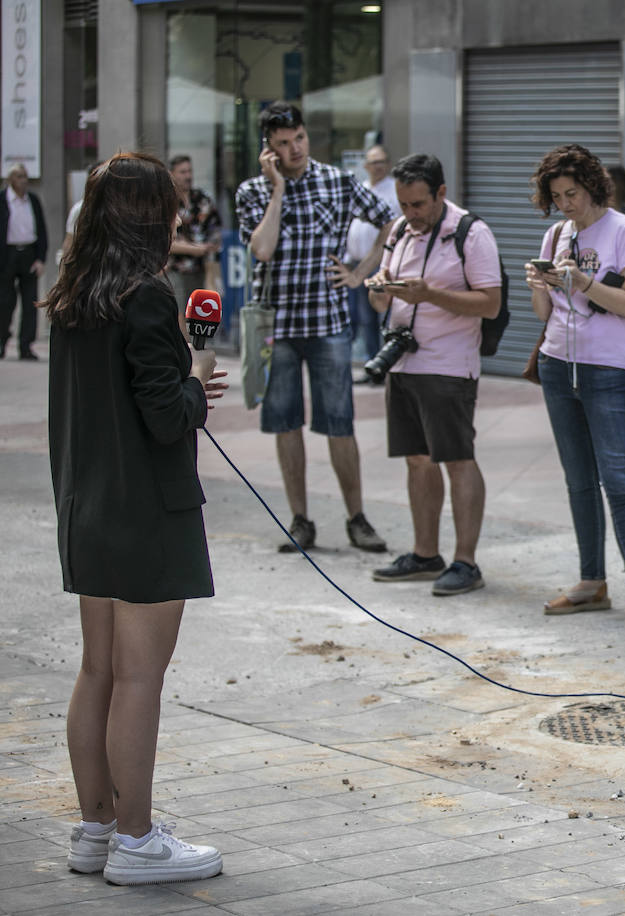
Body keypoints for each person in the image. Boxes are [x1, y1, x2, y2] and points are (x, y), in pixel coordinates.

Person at [45, 152, 228, 884]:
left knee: (98, 670)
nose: (181, 214)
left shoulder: (72, 295)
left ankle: (96, 829)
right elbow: (165, 417)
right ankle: (138, 840)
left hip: (87, 507)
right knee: (139, 679)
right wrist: (196, 375)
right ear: (152, 217)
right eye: (171, 203)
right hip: (146, 511)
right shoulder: (147, 296)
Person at [235, 101, 394, 554]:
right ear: (269, 148)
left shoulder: (338, 181)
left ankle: (357, 518)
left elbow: (389, 223)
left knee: (340, 424)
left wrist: (360, 272)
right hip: (277, 325)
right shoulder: (252, 191)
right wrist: (278, 191)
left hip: (327, 322)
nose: (294, 148)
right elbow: (262, 250)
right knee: (286, 424)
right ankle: (300, 520)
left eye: (299, 139)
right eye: (283, 144)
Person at [523, 144, 625, 631]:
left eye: (572, 193)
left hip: (608, 369)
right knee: (578, 479)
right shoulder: (556, 234)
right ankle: (591, 580)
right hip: (559, 364)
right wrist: (541, 286)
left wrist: (582, 283)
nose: (565, 204)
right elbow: (546, 315)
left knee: (619, 480)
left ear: (593, 186)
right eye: (556, 196)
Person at [365, 154, 502, 597]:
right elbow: (380, 303)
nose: (411, 214)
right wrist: (379, 291)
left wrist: (431, 295)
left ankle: (466, 562)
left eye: (419, 204)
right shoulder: (401, 231)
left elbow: (490, 304)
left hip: (448, 365)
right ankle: (425, 554)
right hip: (402, 360)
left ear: (441, 193)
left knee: (457, 458)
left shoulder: (472, 233)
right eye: (404, 205)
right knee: (416, 458)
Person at [348, 144, 399, 367]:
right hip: (358, 265)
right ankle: (371, 363)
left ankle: (385, 363)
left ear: (388, 165)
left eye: (382, 162)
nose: (378, 167)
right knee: (364, 318)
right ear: (366, 166)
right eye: (373, 162)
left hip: (383, 265)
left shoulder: (395, 191)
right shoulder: (362, 188)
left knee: (382, 317)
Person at [0, 163, 49, 360]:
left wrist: (40, 258)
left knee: (31, 303)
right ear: (11, 179)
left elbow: (42, 230)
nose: (24, 180)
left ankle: (26, 345)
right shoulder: (3, 200)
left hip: (28, 253)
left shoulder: (33, 200)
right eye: (19, 176)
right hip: (7, 255)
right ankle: (2, 341)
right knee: (5, 303)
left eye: (25, 176)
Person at [166, 155, 222, 309]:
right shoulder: (167, 200)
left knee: (201, 315)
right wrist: (194, 249)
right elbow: (164, 241)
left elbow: (215, 234)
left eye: (189, 171)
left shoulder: (202, 199)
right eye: (183, 172)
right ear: (172, 174)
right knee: (178, 314)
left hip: (202, 268)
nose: (188, 176)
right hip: (175, 269)